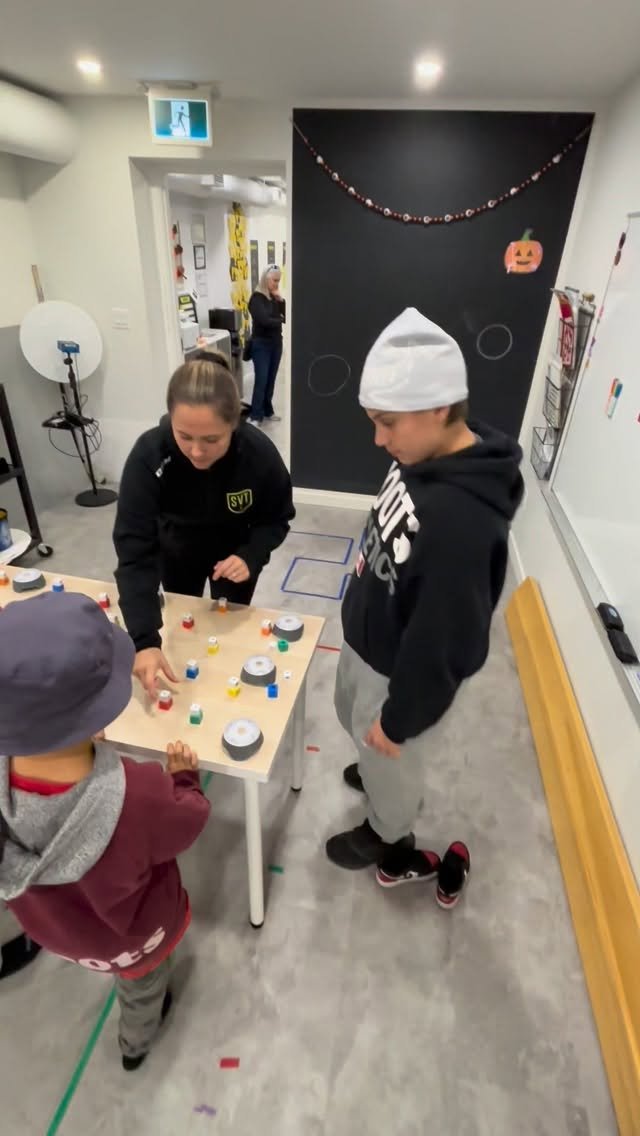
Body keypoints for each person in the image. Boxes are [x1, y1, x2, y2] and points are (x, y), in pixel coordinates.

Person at [325, 308, 524, 908]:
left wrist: (398, 720)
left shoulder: (464, 522)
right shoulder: (421, 455)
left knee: (392, 758)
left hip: (398, 674)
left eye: (386, 424)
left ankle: (389, 830)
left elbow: (444, 645)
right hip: (368, 641)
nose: (378, 440)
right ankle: (375, 768)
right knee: (349, 715)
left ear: (438, 408)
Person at [0, 592, 211, 1070]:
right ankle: (134, 1046)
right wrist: (184, 779)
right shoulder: (139, 794)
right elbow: (190, 819)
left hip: (58, 932)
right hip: (134, 939)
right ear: (98, 714)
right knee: (143, 989)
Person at [113, 351, 295, 698]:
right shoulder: (149, 454)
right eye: (184, 437)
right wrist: (144, 640)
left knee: (231, 635)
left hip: (235, 557)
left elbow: (277, 517)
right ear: (170, 419)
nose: (197, 451)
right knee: (185, 627)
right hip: (177, 551)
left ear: (234, 423)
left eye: (212, 440)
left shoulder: (258, 454)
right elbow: (135, 552)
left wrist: (252, 555)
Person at [247, 264, 285, 426]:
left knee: (271, 380)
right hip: (261, 345)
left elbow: (287, 316)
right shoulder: (256, 298)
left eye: (278, 281)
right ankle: (255, 415)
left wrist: (281, 300)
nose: (276, 284)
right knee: (261, 380)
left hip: (276, 344)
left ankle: (268, 411)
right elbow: (264, 320)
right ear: (266, 279)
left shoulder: (274, 298)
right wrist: (279, 320)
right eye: (274, 280)